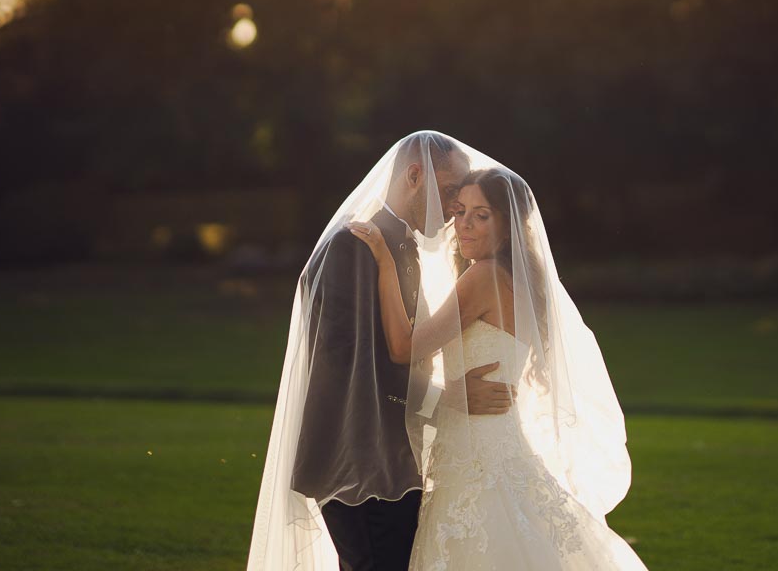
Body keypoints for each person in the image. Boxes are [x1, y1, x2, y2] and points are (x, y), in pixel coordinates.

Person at [348, 163, 649, 571]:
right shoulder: (519, 280)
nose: (464, 225)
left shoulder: (483, 278)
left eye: (481, 215)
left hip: (476, 458)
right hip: (491, 444)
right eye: (460, 212)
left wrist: (385, 263)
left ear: (507, 226)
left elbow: (403, 348)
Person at [247, 131, 516, 571]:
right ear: (415, 176)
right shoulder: (355, 245)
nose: (454, 210)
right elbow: (353, 362)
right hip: (360, 462)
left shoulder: (397, 243)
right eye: (450, 193)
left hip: (387, 460)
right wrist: (445, 398)